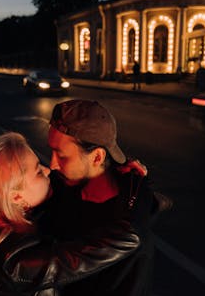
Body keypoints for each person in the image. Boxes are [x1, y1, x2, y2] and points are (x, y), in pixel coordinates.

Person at [0, 132, 141, 295]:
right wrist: (134, 188)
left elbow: (57, 199)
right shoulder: (13, 263)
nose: (48, 170)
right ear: (15, 196)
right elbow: (125, 240)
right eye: (37, 171)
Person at [40, 99, 160, 296]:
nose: (52, 165)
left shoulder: (127, 240)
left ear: (97, 157)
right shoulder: (63, 186)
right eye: (51, 151)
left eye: (61, 155)